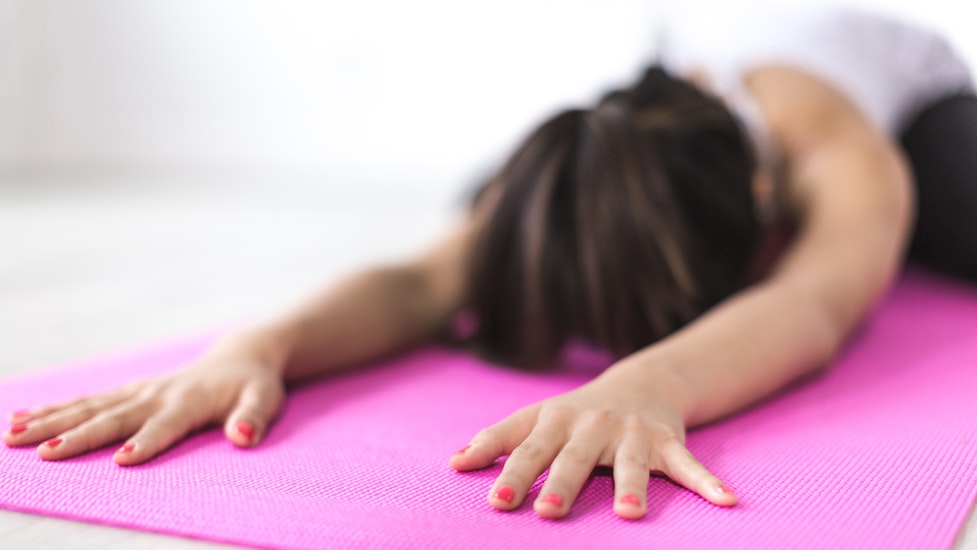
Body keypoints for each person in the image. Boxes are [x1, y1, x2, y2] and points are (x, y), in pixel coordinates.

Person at [4, 6, 976, 521]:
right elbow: (423, 281)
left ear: (763, 218)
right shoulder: (608, 148)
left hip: (924, 107)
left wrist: (648, 382)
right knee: (510, 199)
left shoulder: (841, 157)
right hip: (660, 112)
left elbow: (813, 300)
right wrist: (255, 346)